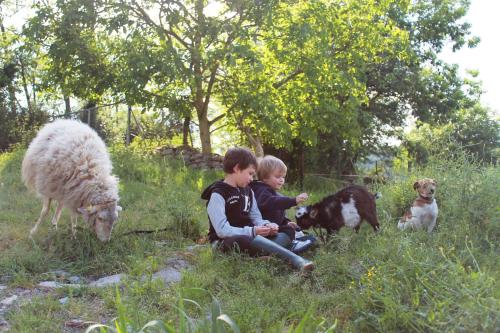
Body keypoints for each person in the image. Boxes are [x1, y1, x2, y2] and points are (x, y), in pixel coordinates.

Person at [201, 147, 314, 271]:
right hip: (225, 242)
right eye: (250, 173)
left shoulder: (248, 191)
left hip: (252, 237)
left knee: (287, 229)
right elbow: (222, 230)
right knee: (241, 240)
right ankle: (296, 260)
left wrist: (267, 226)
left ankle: (259, 256)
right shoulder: (218, 194)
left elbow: (256, 217)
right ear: (237, 168)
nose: (251, 179)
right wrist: (253, 231)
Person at [250, 155, 317, 254]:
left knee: (292, 228)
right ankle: (291, 245)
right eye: (277, 177)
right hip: (266, 228)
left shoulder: (270, 191)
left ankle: (296, 238)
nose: (282, 180)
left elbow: (277, 212)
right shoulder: (261, 190)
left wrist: (286, 221)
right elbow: (273, 203)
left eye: (283, 177)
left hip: (274, 226)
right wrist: (293, 200)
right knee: (288, 231)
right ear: (264, 177)